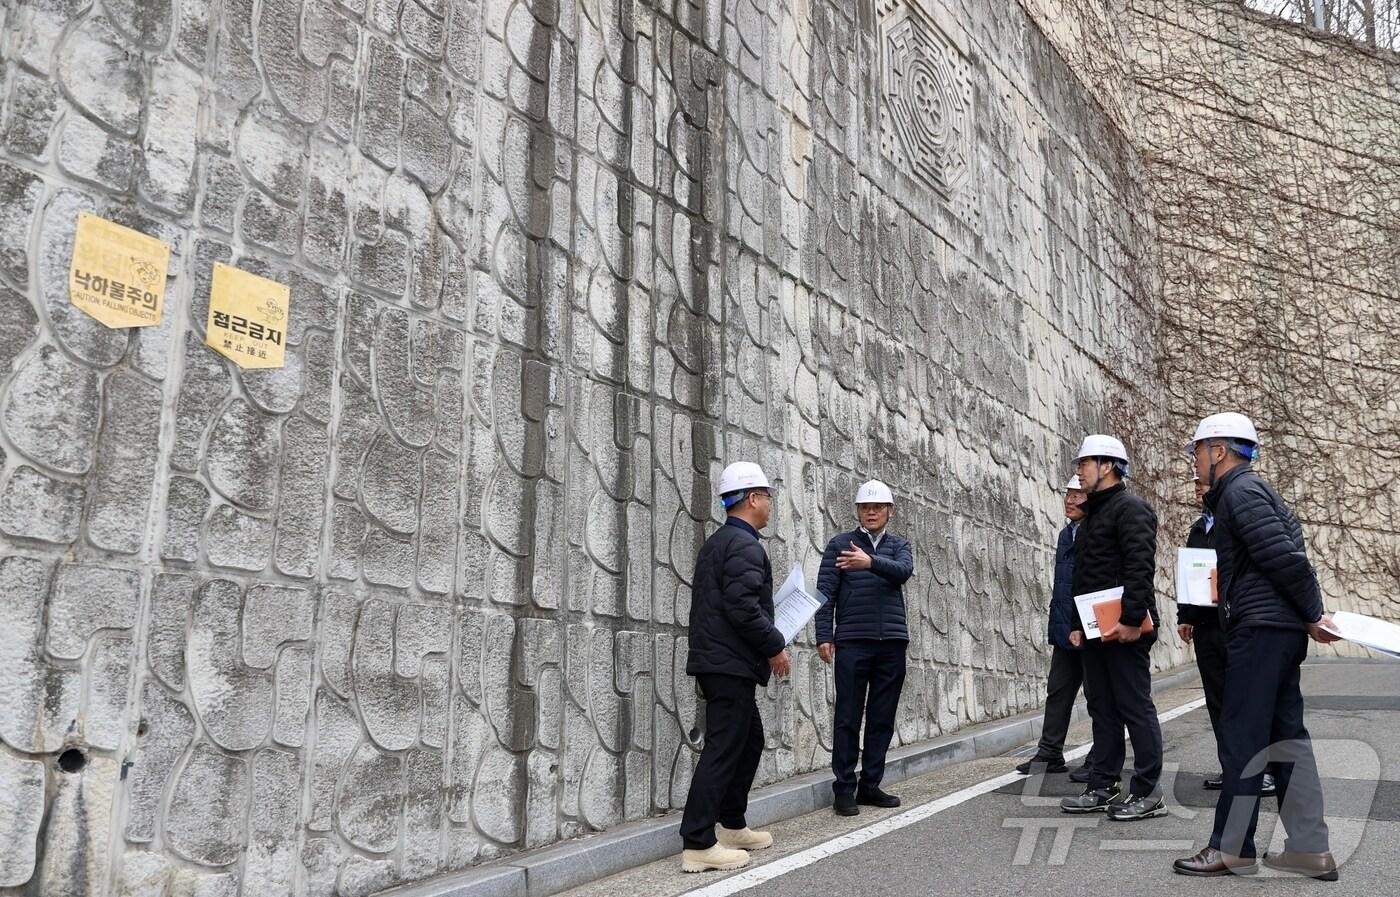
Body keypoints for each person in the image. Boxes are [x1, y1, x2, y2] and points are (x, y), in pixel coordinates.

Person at [1173, 413, 1341, 880]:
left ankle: (1231, 849)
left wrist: (1313, 613)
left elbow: (1285, 558)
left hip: (1262, 630)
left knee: (1243, 738)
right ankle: (1309, 849)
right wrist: (1305, 616)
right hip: (1278, 629)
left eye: (1197, 452)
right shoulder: (1251, 492)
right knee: (1286, 739)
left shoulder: (1241, 493)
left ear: (1219, 452)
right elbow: (1287, 553)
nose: (1194, 462)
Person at [679, 461, 792, 873]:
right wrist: (775, 645)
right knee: (724, 749)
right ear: (753, 498)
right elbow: (742, 608)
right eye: (767, 498)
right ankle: (698, 842)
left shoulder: (719, 542)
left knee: (749, 740)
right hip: (729, 664)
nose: (770, 506)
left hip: (722, 661)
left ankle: (732, 824)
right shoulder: (745, 546)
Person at [1059, 435, 1166, 822]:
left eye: (1084, 464)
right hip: (1094, 629)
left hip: (1125, 627)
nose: (1078, 471)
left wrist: (1132, 620)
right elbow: (1085, 576)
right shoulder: (1093, 515)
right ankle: (1103, 785)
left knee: (1134, 706)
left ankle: (1148, 791)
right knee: (1102, 707)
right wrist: (1076, 624)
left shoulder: (1132, 509)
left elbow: (1141, 568)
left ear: (1107, 466)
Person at [815, 480, 914, 815]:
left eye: (878, 508)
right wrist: (823, 635)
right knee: (847, 717)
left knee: (881, 718)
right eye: (865, 508)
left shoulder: (900, 546)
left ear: (889, 511)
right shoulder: (840, 545)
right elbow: (825, 592)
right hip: (853, 642)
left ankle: (870, 785)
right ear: (858, 510)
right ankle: (844, 788)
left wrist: (869, 562)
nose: (871, 512)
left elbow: (903, 572)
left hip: (892, 644)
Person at [1178, 475, 1277, 797]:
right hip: (1207, 625)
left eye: (1202, 484)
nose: (1197, 489)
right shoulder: (1199, 527)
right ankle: (1233, 767)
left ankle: (1265, 771)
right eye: (1194, 485)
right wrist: (1186, 616)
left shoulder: (1235, 519)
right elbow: (1191, 575)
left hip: (1236, 621)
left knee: (1247, 701)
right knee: (1218, 701)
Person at [1016, 475, 1097, 783]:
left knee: (1096, 695)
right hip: (1065, 627)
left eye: (1077, 495)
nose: (1070, 500)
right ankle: (1050, 752)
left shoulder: (1095, 532)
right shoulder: (1067, 534)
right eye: (1067, 495)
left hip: (1089, 628)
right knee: (1058, 690)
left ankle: (1099, 755)